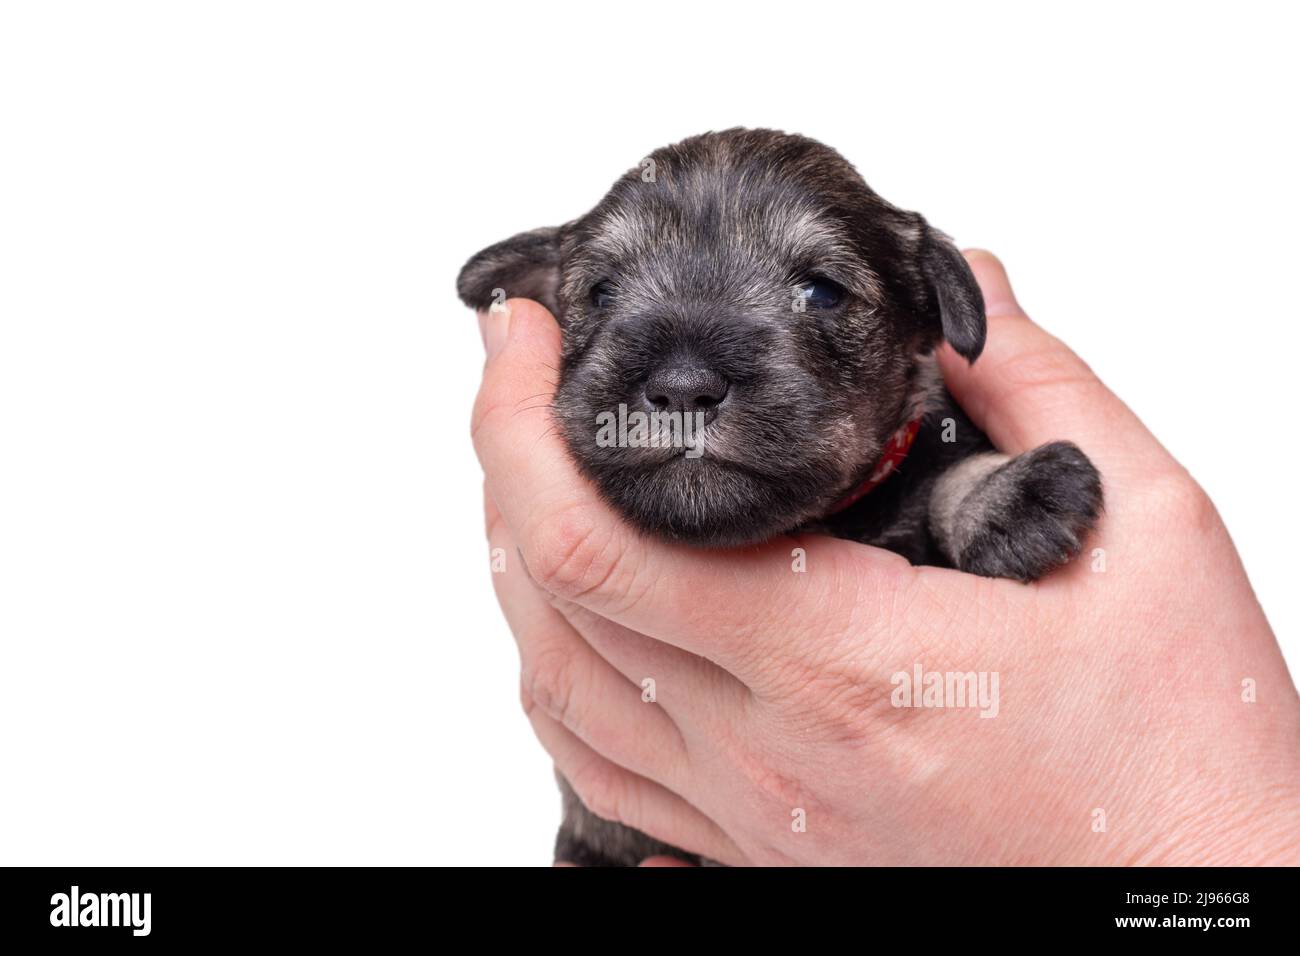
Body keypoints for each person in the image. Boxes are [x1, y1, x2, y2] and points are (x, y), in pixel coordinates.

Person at [472, 250, 1300, 866]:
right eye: (606, 292)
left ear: (929, 311)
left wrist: (1176, 842)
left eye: (819, 293)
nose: (685, 382)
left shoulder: (933, 447)